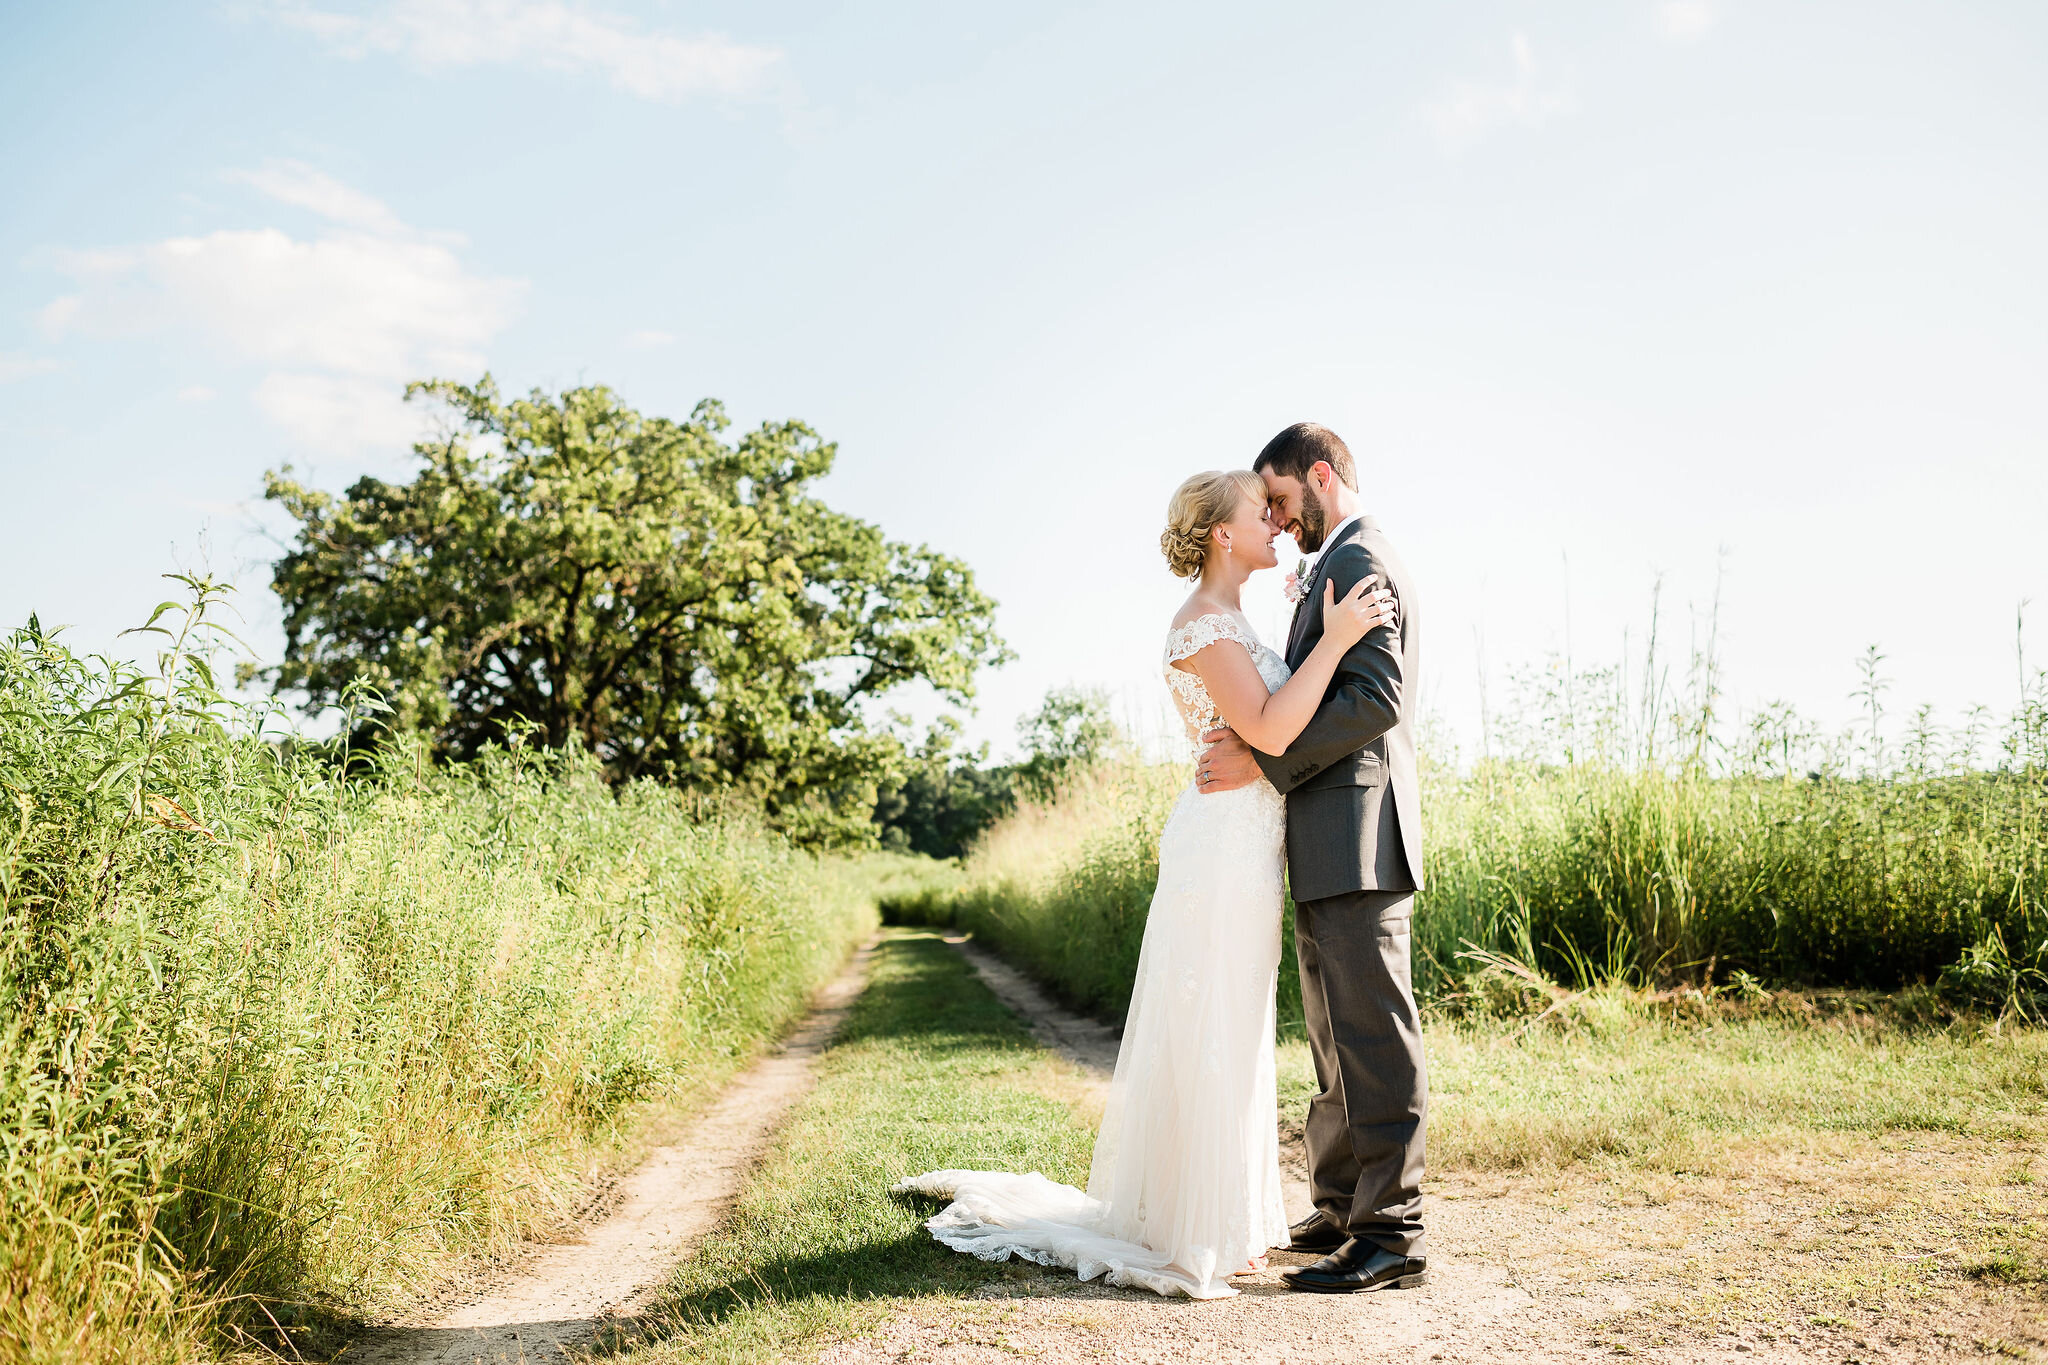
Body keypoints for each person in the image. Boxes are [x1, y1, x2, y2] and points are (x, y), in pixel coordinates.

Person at [894, 466, 1397, 1298]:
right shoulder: (1203, 624)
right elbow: (1272, 725)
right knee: (1210, 1023)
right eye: (1258, 513)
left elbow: (1262, 735)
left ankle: (1217, 1215)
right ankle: (1193, 1224)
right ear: (1222, 534)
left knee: (1228, 1024)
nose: (1274, 523)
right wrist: (1339, 640)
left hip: (1245, 846)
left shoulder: (1231, 617)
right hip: (1221, 854)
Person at [1197, 422, 1429, 1294]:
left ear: (1321, 475)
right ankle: (1341, 1206)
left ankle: (1391, 1234)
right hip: (1326, 836)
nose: (1279, 518)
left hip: (1362, 836)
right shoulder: (1333, 559)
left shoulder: (1360, 558)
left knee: (1375, 1037)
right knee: (1335, 1038)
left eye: (1283, 498)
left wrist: (1261, 760)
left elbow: (1374, 698)